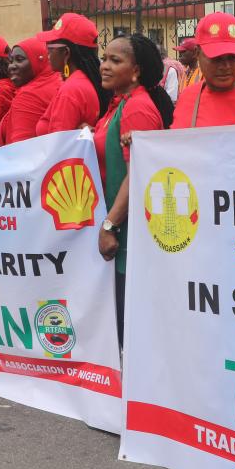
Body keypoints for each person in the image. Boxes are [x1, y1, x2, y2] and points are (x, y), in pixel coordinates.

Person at [94, 34, 172, 346]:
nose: (105, 66)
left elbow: (138, 175)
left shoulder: (137, 108)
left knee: (128, 330)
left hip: (127, 236)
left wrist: (109, 225)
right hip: (118, 229)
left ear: (136, 71)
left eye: (115, 61)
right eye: (104, 58)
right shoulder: (121, 103)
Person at [172, 13, 235, 129]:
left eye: (232, 57)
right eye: (216, 58)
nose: (225, 66)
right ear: (197, 53)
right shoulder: (187, 98)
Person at [37, 13, 108, 134]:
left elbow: (59, 142)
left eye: (50, 48)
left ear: (66, 53)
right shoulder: (86, 81)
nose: (47, 54)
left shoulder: (70, 91)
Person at [0, 37, 62, 146]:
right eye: (11, 61)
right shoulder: (57, 81)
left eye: (19, 59)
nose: (11, 66)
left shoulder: (28, 96)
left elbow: (21, 149)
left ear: (39, 61)